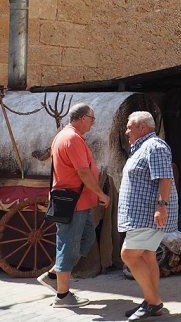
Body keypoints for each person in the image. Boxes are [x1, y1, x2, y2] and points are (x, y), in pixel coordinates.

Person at [38, 103, 109, 308]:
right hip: (74, 204)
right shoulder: (72, 138)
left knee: (85, 239)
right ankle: (62, 296)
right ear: (82, 118)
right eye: (92, 119)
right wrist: (101, 194)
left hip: (78, 203)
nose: (93, 123)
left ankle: (54, 275)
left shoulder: (65, 136)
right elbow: (83, 172)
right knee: (68, 245)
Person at [118, 111, 178, 320]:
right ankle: (151, 299)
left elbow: (165, 177)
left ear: (142, 128)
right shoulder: (143, 147)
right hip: (143, 214)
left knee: (128, 255)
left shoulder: (154, 146)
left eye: (129, 126)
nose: (126, 131)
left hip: (148, 215)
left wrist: (161, 206)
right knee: (147, 256)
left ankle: (153, 302)